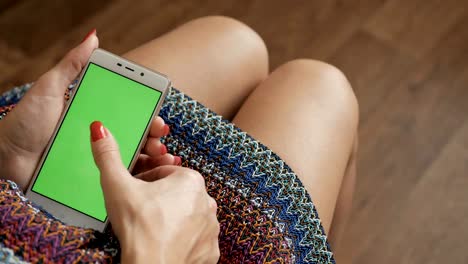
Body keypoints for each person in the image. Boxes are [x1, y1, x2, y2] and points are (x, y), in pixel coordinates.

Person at [0, 16, 358, 263]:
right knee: (322, 87)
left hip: (12, 196)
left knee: (235, 40)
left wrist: (9, 156)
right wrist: (159, 252)